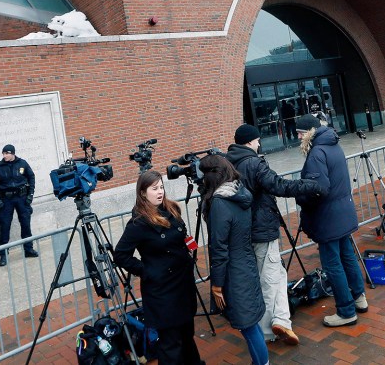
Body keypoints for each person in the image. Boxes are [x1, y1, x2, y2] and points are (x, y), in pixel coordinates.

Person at [225, 124, 322, 345]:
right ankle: (269, 329)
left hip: (241, 232)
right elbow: (278, 185)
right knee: (269, 279)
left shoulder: (228, 162)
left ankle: (281, 320)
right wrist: (308, 185)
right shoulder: (253, 162)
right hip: (261, 230)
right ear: (250, 141)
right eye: (257, 140)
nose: (259, 144)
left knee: (273, 274)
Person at [112, 170, 202, 365]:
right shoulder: (138, 223)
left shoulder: (172, 209)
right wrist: (148, 271)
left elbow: (182, 235)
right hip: (162, 291)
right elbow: (120, 255)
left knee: (187, 335)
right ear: (143, 193)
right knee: (171, 343)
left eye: (161, 187)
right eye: (155, 188)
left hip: (182, 284)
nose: (160, 192)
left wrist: (187, 255)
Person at [294, 113, 367, 327]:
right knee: (348, 257)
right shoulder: (333, 144)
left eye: (299, 133)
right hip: (342, 212)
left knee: (333, 264)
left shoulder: (317, 152)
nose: (297, 137)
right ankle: (358, 297)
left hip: (328, 217)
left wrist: (300, 196)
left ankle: (346, 311)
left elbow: (318, 189)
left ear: (309, 132)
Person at [199, 155, 268, 365]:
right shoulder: (239, 192)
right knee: (251, 324)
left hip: (235, 273)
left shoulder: (220, 203)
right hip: (246, 265)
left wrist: (217, 285)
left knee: (248, 326)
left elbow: (219, 249)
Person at [0, 144, 37, 266]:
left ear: (12, 153)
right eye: (3, 154)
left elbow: (31, 177)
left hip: (22, 198)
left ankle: (28, 249)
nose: (5, 156)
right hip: (6, 200)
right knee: (5, 227)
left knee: (25, 224)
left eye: (7, 153)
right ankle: (3, 255)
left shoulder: (22, 163)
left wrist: (30, 195)